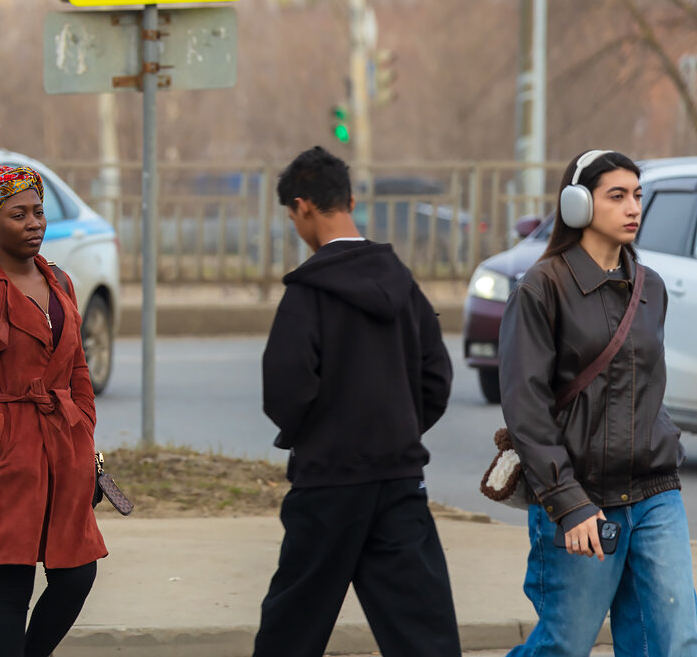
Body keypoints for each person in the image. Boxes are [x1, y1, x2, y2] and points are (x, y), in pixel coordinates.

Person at [252, 146, 458, 657]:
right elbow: (436, 378)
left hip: (327, 484)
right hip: (398, 480)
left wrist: (316, 436)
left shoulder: (307, 292)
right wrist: (398, 427)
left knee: (292, 626)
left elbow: (285, 390)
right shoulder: (403, 283)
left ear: (302, 207)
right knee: (422, 630)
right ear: (350, 198)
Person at [500, 150, 697, 656]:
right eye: (617, 196)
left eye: (637, 195)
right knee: (564, 645)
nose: (633, 207)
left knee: (674, 642)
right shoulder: (541, 290)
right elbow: (527, 408)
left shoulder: (650, 287)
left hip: (655, 492)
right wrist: (567, 502)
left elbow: (648, 388)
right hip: (580, 498)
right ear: (577, 205)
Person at [0, 164, 106, 657]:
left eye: (38, 212)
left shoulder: (62, 283)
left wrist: (84, 431)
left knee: (77, 576)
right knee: (12, 589)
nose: (34, 222)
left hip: (65, 448)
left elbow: (77, 368)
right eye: (18, 214)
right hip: (3, 458)